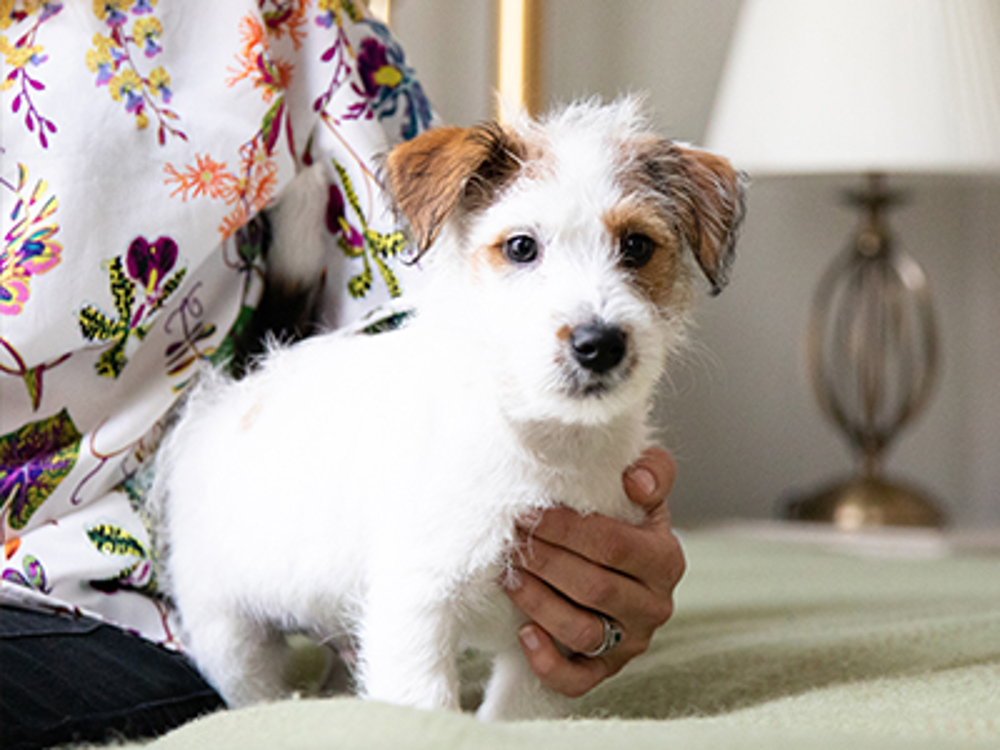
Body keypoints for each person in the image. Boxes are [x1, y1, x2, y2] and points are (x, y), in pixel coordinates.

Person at [0, 3, 685, 748]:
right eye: (522, 248)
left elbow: (409, 299)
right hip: (219, 527)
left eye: (637, 250)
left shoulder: (287, 26)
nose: (594, 315)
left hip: (96, 595)